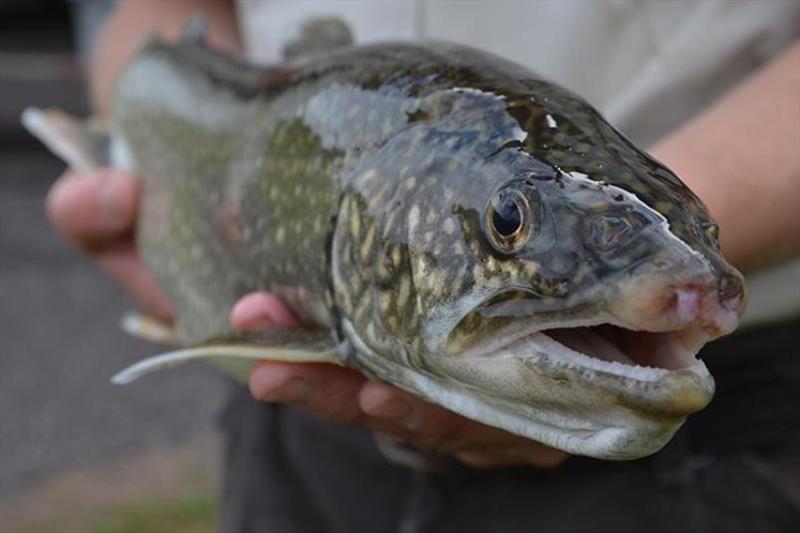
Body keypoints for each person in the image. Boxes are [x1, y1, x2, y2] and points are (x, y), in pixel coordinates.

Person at [49, 1, 799, 531]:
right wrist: (150, 193)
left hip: (713, 459)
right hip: (303, 442)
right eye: (510, 226)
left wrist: (666, 237)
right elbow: (151, 19)